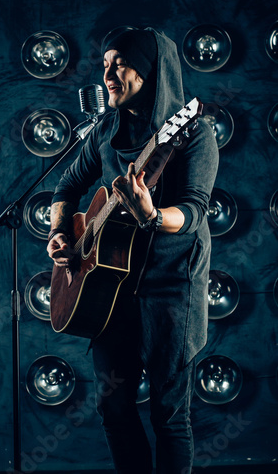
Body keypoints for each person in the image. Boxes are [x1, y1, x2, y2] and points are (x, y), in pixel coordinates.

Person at [47, 27, 219, 474]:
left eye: (119, 63)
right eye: (104, 65)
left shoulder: (192, 132)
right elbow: (65, 186)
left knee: (169, 416)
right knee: (116, 411)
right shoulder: (105, 131)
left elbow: (195, 212)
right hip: (107, 292)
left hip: (170, 290)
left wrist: (153, 215)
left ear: (151, 70)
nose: (108, 74)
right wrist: (63, 233)